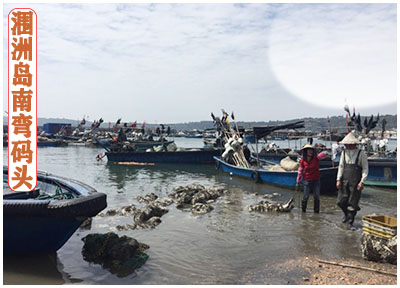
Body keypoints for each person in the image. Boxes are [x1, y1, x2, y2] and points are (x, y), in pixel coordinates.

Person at [336, 133, 368, 227]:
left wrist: (362, 181)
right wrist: (338, 179)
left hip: (356, 181)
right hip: (344, 180)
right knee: (341, 201)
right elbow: (341, 167)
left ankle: (350, 222)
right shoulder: (344, 152)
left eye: (349, 144)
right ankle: (346, 215)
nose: (347, 146)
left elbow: (365, 168)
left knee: (353, 202)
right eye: (346, 144)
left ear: (354, 144)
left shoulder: (361, 153)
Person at [296, 144, 328, 213]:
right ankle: (303, 212)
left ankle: (316, 212)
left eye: (311, 151)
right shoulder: (302, 160)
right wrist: (298, 179)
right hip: (307, 180)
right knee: (306, 196)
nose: (310, 152)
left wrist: (326, 152)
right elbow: (300, 170)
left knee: (316, 196)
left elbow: (323, 154)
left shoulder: (316, 158)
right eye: (308, 151)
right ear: (305, 152)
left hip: (316, 180)